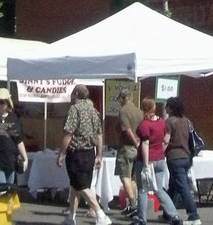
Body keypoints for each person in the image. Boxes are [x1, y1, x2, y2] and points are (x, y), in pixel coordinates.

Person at [56, 84, 110, 225]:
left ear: (76, 95)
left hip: (76, 153)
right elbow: (99, 135)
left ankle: (100, 214)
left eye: (72, 94)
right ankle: (71, 217)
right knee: (75, 186)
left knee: (81, 186)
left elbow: (68, 133)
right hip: (89, 153)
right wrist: (99, 154)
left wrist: (62, 153)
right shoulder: (94, 111)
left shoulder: (75, 109)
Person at [132, 97, 180, 225]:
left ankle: (142, 218)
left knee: (142, 190)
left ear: (143, 108)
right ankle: (174, 215)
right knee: (159, 189)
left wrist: (146, 164)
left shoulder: (144, 124)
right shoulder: (161, 122)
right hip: (160, 159)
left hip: (147, 160)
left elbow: (145, 144)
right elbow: (165, 139)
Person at [164, 97, 201, 225]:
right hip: (186, 156)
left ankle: (193, 215)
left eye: (167, 106)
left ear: (171, 108)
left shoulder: (169, 122)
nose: (165, 108)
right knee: (174, 186)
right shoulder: (186, 121)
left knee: (182, 186)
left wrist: (158, 151)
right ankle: (168, 213)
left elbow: (166, 140)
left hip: (174, 157)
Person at [116, 86, 144, 216]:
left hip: (126, 148)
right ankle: (133, 205)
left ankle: (132, 204)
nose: (120, 102)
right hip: (137, 149)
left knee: (124, 177)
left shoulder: (123, 111)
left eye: (120, 99)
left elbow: (126, 129)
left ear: (123, 98)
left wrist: (135, 142)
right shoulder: (140, 112)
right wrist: (139, 144)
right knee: (133, 177)